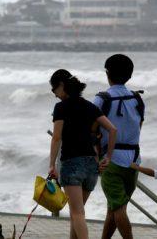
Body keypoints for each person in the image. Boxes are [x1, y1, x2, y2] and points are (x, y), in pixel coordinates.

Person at [48, 69, 117, 239]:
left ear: (62, 85)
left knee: (77, 214)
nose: (54, 94)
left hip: (72, 164)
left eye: (54, 89)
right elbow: (112, 129)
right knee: (76, 213)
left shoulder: (61, 107)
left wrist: (51, 165)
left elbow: (56, 138)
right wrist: (107, 157)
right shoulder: (89, 106)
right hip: (91, 166)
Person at [93, 54, 145, 239]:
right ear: (130, 76)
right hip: (133, 160)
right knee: (114, 207)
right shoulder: (137, 99)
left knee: (118, 207)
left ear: (107, 73)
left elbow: (91, 131)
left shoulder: (101, 99)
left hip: (110, 160)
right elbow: (138, 128)